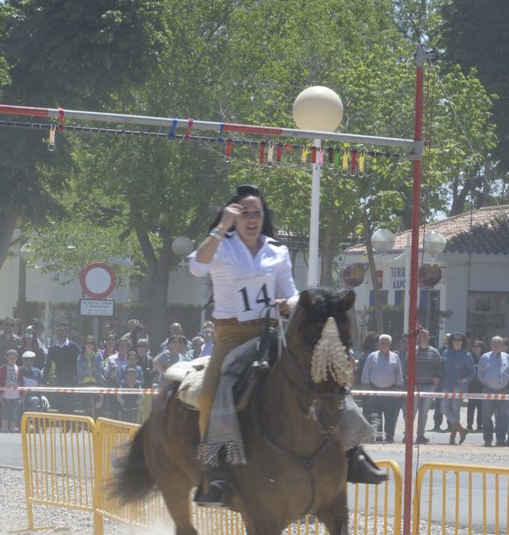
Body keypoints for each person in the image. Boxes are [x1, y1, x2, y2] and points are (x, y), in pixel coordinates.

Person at [189, 183, 382, 504]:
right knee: (211, 391)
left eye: (257, 213)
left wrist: (288, 303)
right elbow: (197, 266)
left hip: (274, 330)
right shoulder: (222, 246)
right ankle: (214, 470)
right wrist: (221, 227)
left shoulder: (276, 251)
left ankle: (351, 450)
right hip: (232, 336)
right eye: (244, 212)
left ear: (264, 217)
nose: (252, 218)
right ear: (234, 216)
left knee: (324, 373)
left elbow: (291, 292)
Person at [361, 335, 403, 442]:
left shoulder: (395, 357)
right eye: (382, 343)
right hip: (374, 390)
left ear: (389, 344)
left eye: (386, 343)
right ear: (379, 344)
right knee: (376, 416)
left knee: (390, 415)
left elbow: (399, 373)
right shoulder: (372, 356)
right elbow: (366, 372)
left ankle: (389, 437)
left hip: (390, 390)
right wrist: (366, 389)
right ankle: (378, 437)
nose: (384, 344)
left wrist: (398, 387)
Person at [477, 335, 509, 446]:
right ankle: (488, 440)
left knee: (503, 417)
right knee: (486, 416)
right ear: (491, 344)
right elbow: (480, 374)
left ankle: (500, 440)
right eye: (494, 343)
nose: (496, 345)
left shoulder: (507, 357)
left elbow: (508, 372)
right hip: (488, 390)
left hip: (503, 390)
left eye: (499, 343)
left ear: (503, 345)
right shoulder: (485, 357)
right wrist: (487, 384)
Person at [439, 333, 473, 445]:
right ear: (451, 341)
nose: (456, 342)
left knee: (455, 410)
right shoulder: (445, 352)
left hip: (460, 385)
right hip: (446, 384)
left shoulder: (467, 355)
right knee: (444, 409)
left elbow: (472, 371)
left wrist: (466, 379)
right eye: (454, 340)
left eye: (459, 340)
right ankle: (462, 430)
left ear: (463, 342)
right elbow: (441, 367)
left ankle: (452, 438)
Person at [411, 329, 442, 443]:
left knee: (424, 412)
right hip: (414, 386)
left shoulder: (434, 352)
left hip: (428, 386)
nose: (423, 337)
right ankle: (408, 435)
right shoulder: (412, 351)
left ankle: (420, 435)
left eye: (425, 335)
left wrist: (436, 379)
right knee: (411, 412)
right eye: (421, 335)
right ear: (418, 337)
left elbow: (439, 367)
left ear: (429, 337)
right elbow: (406, 366)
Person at [46, 321, 80, 413]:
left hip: (72, 381)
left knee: (70, 406)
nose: (61, 333)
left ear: (67, 332)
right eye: (59, 331)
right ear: (56, 333)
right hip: (59, 380)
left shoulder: (73, 346)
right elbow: (48, 365)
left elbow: (80, 363)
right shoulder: (52, 348)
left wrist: (77, 376)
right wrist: (44, 381)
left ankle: (70, 423)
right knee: (60, 406)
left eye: (63, 331)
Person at [76, 335, 105, 419]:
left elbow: (100, 369)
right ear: (84, 345)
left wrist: (87, 371)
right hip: (84, 384)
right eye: (87, 343)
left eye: (91, 343)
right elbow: (79, 372)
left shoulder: (98, 355)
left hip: (97, 383)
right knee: (87, 409)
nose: (89, 345)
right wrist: (92, 370)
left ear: (94, 345)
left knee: (98, 407)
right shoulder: (80, 357)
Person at [0, 349, 22, 432]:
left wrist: (22, 394)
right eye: (10, 358)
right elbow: (0, 381)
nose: (11, 360)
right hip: (5, 395)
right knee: (5, 412)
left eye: (13, 358)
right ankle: (4, 428)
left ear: (16, 358)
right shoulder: (3, 368)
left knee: (14, 413)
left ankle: (12, 428)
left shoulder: (18, 368)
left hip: (15, 396)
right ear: (6, 358)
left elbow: (21, 381)